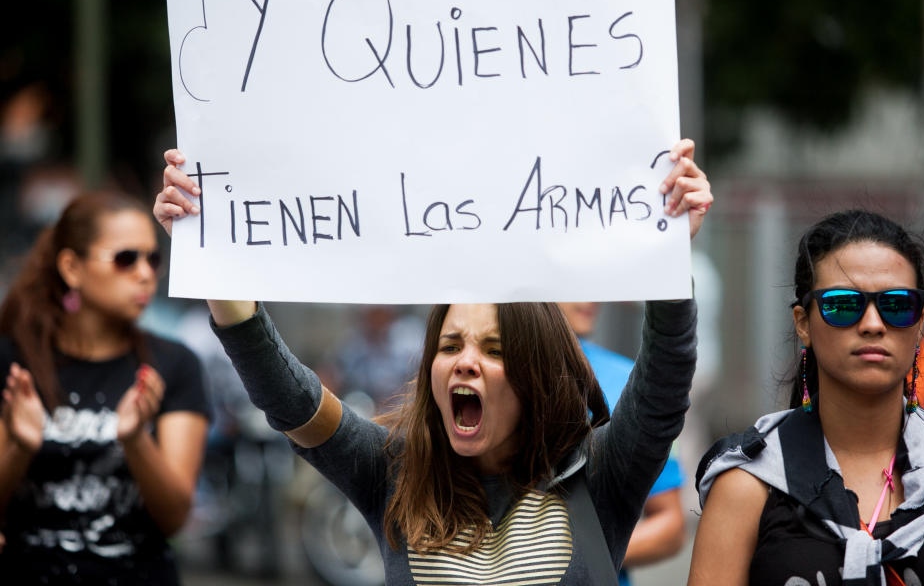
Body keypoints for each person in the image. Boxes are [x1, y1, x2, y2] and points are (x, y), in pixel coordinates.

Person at [153, 139, 712, 584]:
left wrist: (669, 248)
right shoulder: (392, 472)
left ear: (537, 377)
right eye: (450, 346)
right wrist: (214, 258)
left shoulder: (601, 474)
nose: (465, 362)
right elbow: (289, 398)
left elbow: (664, 381)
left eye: (494, 350)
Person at [690, 210, 924, 586]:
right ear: (803, 323)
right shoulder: (746, 485)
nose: (872, 324)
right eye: (843, 304)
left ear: (918, 327)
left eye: (897, 305)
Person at [0, 191, 211, 585]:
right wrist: (19, 446)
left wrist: (135, 441)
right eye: (125, 258)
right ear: (71, 267)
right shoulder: (15, 363)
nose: (145, 273)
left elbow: (175, 517)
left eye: (153, 258)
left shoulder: (174, 364)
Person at [558, 302, 687, 584]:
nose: (590, 298)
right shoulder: (487, 373)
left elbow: (670, 523)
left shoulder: (629, 383)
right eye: (574, 281)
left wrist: (576, 557)